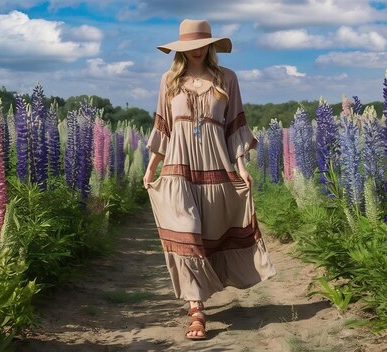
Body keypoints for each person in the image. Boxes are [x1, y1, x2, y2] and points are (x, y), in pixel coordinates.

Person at [143, 19, 276, 340]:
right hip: (178, 166)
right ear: (181, 49)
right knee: (186, 232)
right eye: (190, 46)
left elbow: (234, 124)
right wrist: (152, 166)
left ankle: (206, 291)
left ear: (211, 45)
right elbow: (163, 126)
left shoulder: (227, 78)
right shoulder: (169, 80)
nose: (197, 50)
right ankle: (197, 310)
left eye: (201, 44)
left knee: (213, 232)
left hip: (216, 167)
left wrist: (241, 165)